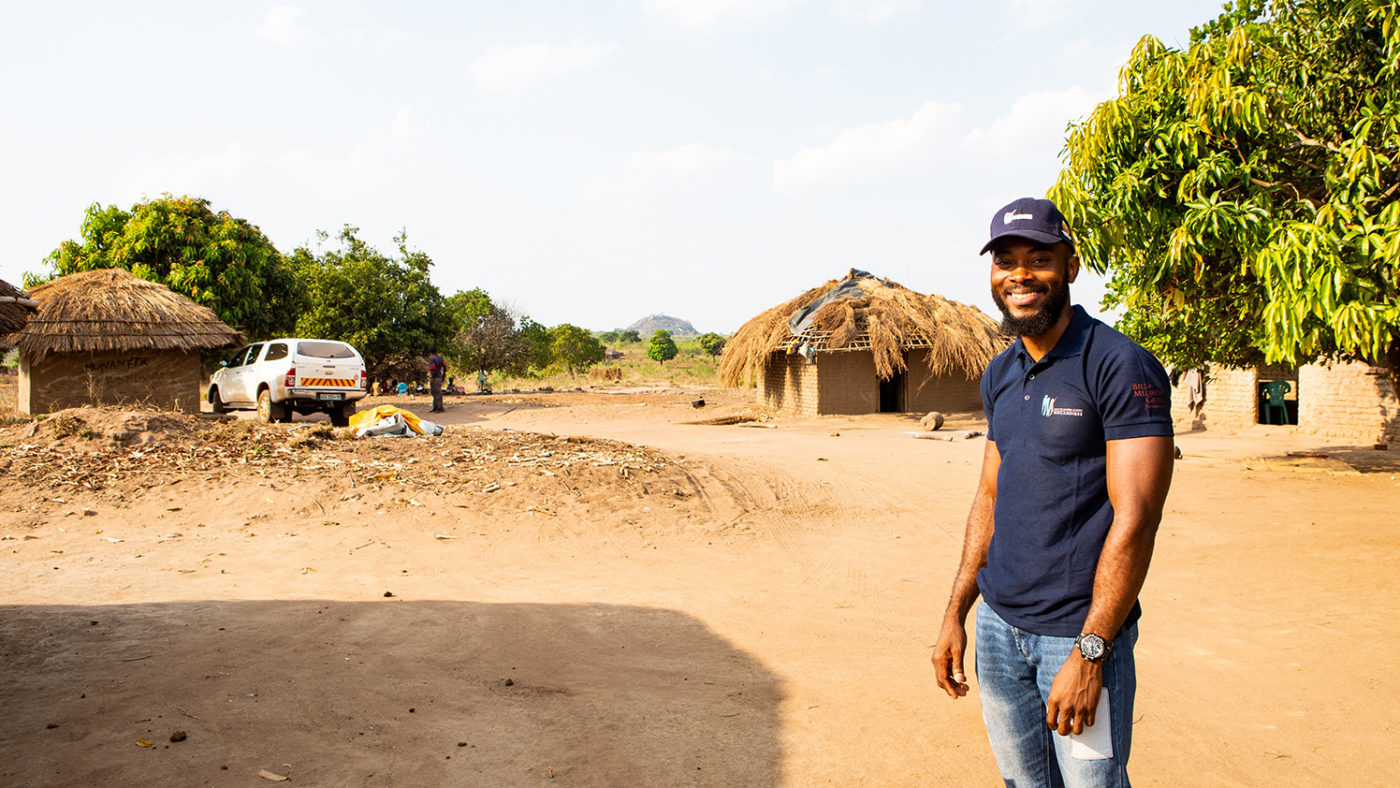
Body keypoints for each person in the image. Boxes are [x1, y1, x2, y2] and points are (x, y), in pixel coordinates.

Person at [932, 197, 1175, 786]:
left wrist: (1091, 653)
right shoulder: (1000, 372)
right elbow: (989, 496)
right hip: (997, 630)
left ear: (1069, 268)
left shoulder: (1119, 365)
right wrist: (956, 612)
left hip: (1077, 633)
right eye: (1005, 260)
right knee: (1024, 784)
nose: (1020, 274)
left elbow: (1136, 519)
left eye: (1039, 258)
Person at [427, 347, 446, 413]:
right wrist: (443, 375)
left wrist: (433, 376)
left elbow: (433, 368)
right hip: (439, 376)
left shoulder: (432, 359)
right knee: (437, 392)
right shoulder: (440, 357)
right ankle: (435, 407)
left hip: (435, 377)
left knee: (435, 392)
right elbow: (444, 366)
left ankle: (439, 407)